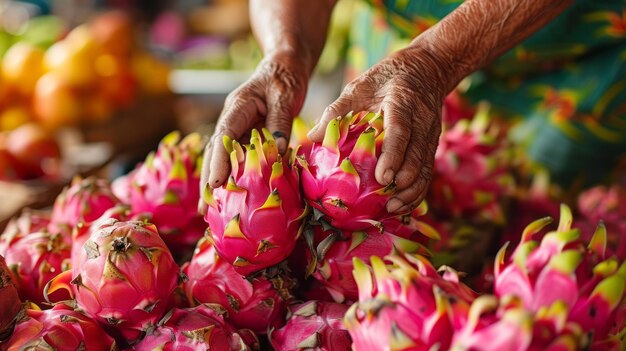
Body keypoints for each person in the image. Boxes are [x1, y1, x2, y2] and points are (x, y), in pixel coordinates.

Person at [201, 0, 626, 214]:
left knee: (550, 224)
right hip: (398, 46)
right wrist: (285, 51)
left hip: (573, 70)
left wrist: (437, 59)